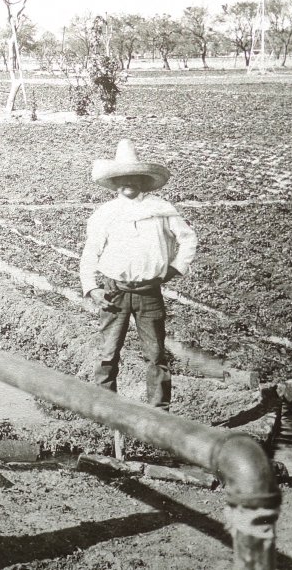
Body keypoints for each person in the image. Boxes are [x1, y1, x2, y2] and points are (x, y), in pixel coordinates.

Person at [79, 139, 197, 410]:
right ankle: (106, 411)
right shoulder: (105, 213)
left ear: (143, 180)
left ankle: (159, 413)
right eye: (121, 178)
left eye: (133, 177)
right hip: (114, 291)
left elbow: (188, 239)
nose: (127, 183)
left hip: (149, 293)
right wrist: (91, 288)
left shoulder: (162, 210)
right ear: (114, 182)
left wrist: (175, 268)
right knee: (108, 353)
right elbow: (90, 253)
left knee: (155, 355)